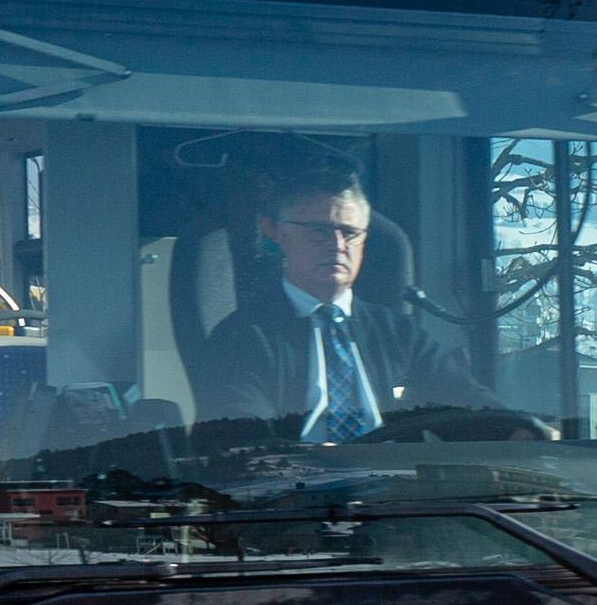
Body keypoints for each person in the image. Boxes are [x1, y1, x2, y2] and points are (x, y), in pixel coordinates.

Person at [185, 159, 484, 439]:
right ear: (275, 232)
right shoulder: (242, 337)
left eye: (350, 233)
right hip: (293, 488)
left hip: (394, 489)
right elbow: (239, 434)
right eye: (320, 231)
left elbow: (468, 401)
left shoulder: (399, 333)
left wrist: (517, 431)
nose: (338, 245)